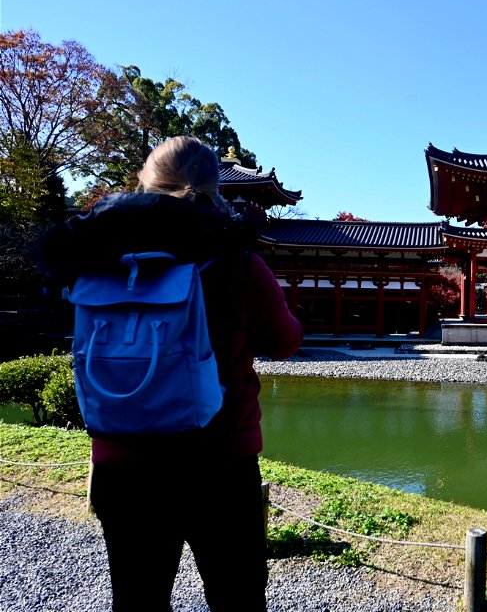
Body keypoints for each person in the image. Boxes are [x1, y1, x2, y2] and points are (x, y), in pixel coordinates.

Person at [39, 136, 303, 611]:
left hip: (122, 460)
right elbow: (284, 342)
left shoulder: (92, 260)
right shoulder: (235, 260)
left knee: (138, 597)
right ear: (213, 185)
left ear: (146, 181)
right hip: (220, 460)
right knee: (236, 595)